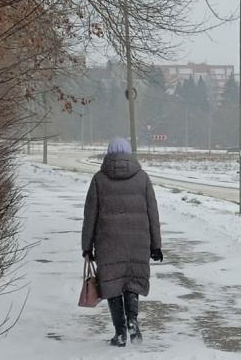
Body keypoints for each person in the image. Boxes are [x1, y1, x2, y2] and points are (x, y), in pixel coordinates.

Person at [81, 137, 163, 347]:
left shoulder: (99, 179)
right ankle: (133, 322)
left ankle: (119, 333)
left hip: (108, 242)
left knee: (113, 284)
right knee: (132, 282)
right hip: (138, 241)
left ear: (108, 154)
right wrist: (156, 245)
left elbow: (90, 215)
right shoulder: (142, 178)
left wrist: (86, 246)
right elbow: (152, 213)